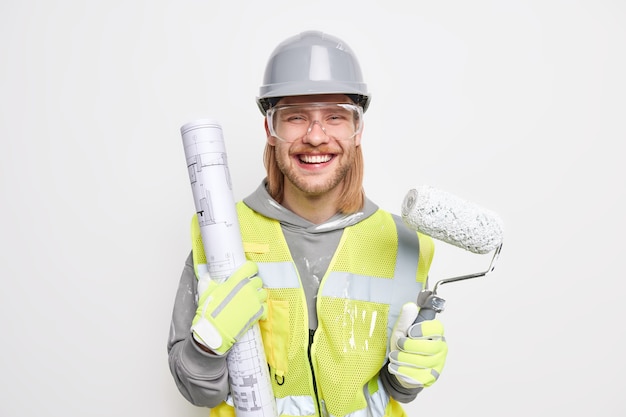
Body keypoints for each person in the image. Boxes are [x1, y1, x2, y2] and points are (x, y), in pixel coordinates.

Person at [168, 30, 448, 417]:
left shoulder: (403, 243)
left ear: (358, 130)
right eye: (296, 117)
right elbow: (197, 392)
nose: (315, 137)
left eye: (334, 117)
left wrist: (410, 372)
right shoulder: (219, 236)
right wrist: (206, 347)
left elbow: (392, 388)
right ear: (270, 129)